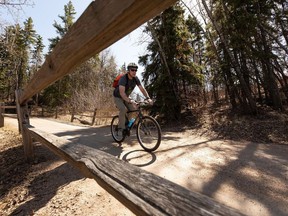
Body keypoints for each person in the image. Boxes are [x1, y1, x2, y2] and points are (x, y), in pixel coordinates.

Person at [113, 62, 152, 136]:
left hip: (126, 97)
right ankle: (121, 128)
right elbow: (122, 94)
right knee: (123, 109)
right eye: (132, 70)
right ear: (128, 71)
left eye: (136, 70)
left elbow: (142, 89)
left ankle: (127, 124)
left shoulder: (136, 79)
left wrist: (148, 98)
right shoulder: (123, 79)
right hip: (118, 97)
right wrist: (131, 100)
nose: (134, 72)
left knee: (133, 109)